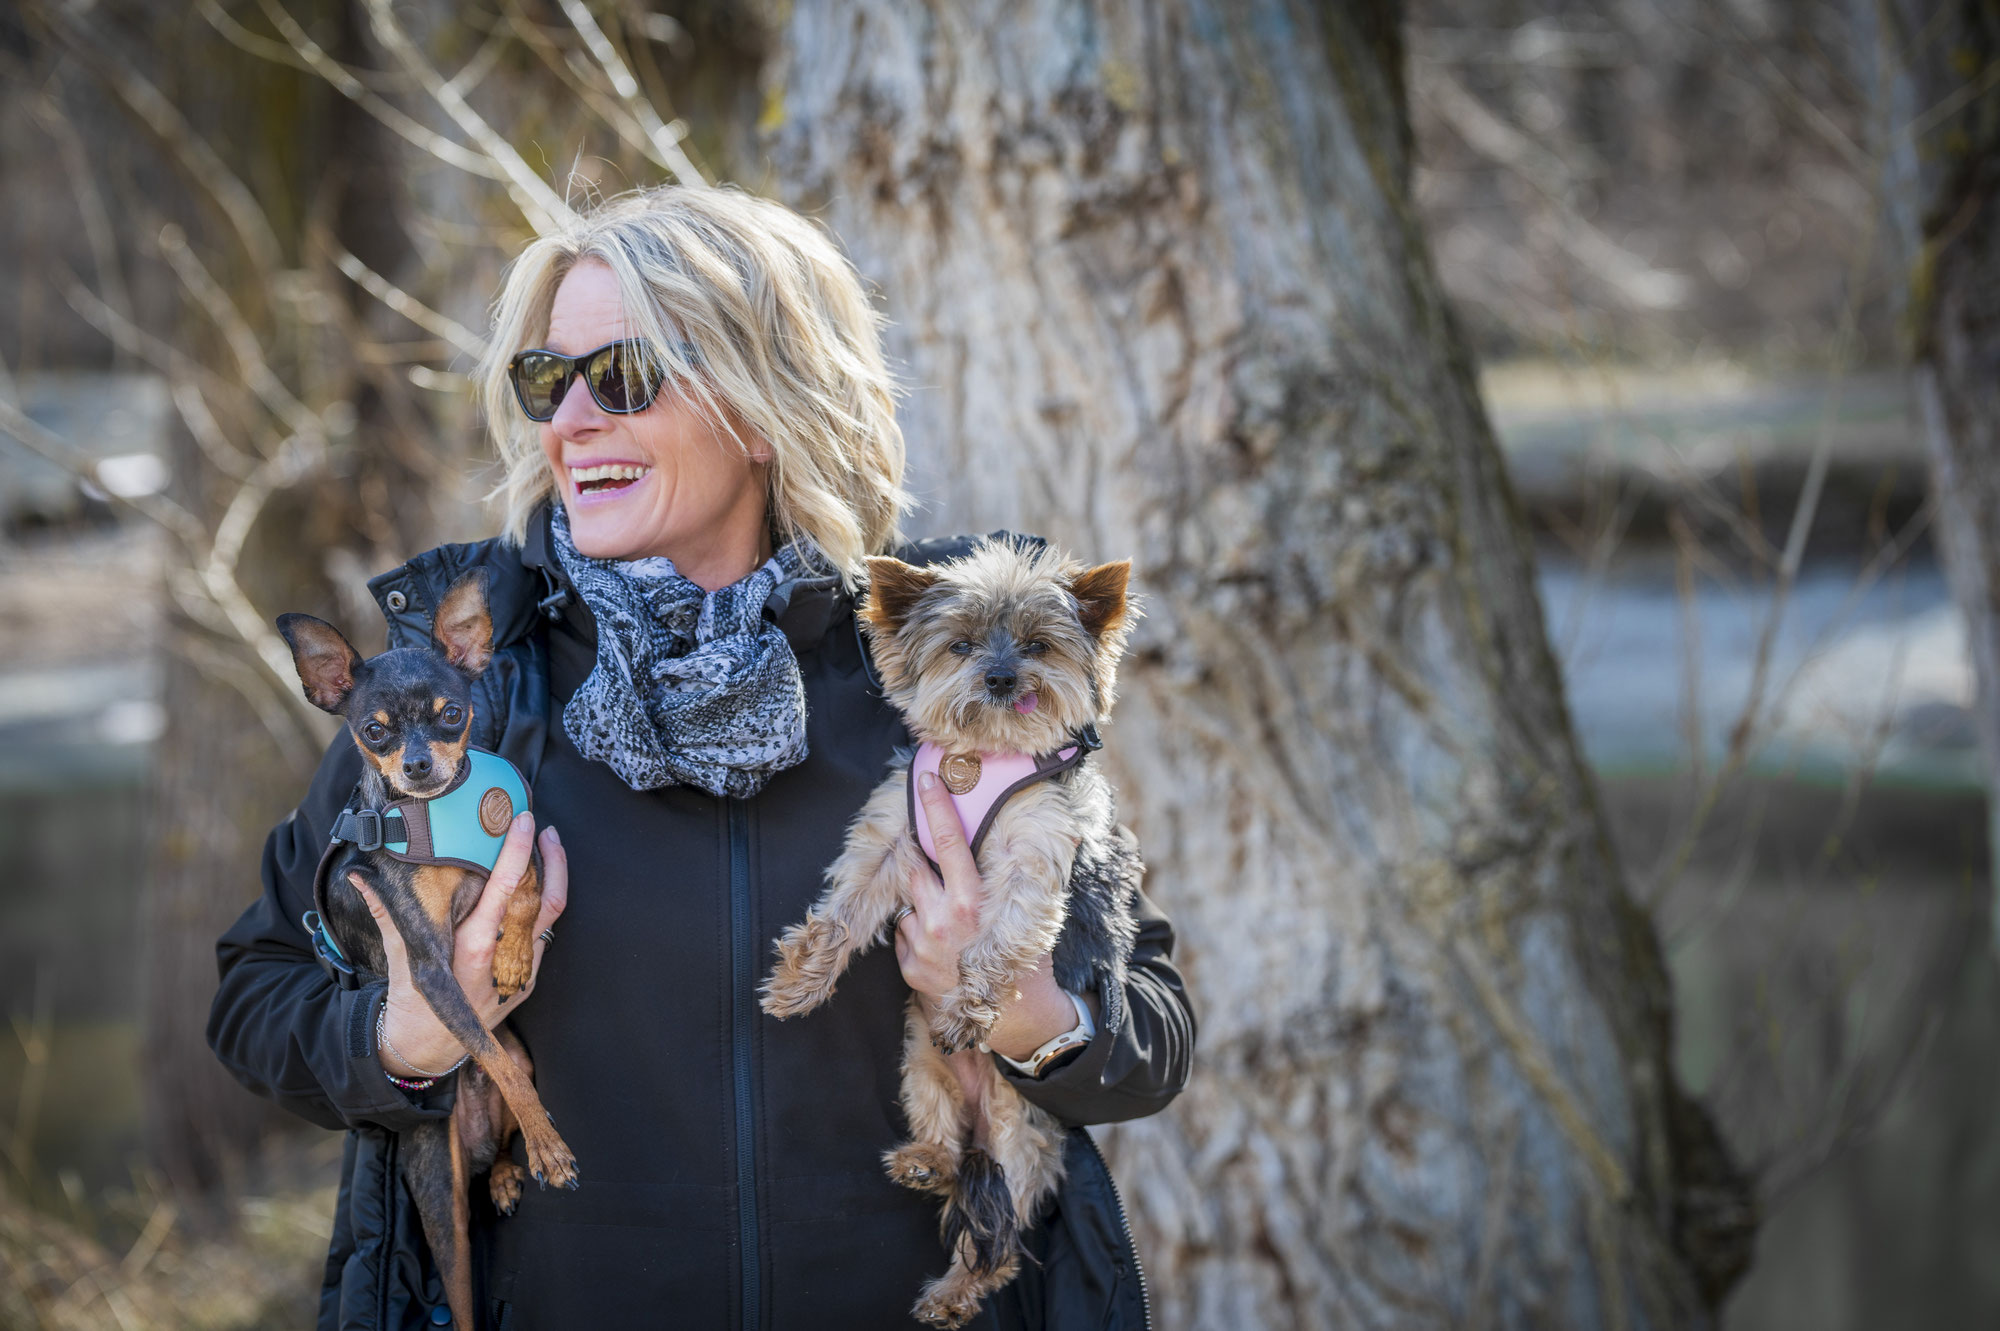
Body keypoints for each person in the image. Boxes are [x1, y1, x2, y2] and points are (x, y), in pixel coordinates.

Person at [207, 183, 1195, 1330]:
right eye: (546, 379)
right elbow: (256, 991)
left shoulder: (935, 688)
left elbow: (1153, 1035)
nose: (571, 419)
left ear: (766, 400)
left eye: (622, 376)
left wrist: (1032, 1015)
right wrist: (404, 1039)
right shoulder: (466, 694)